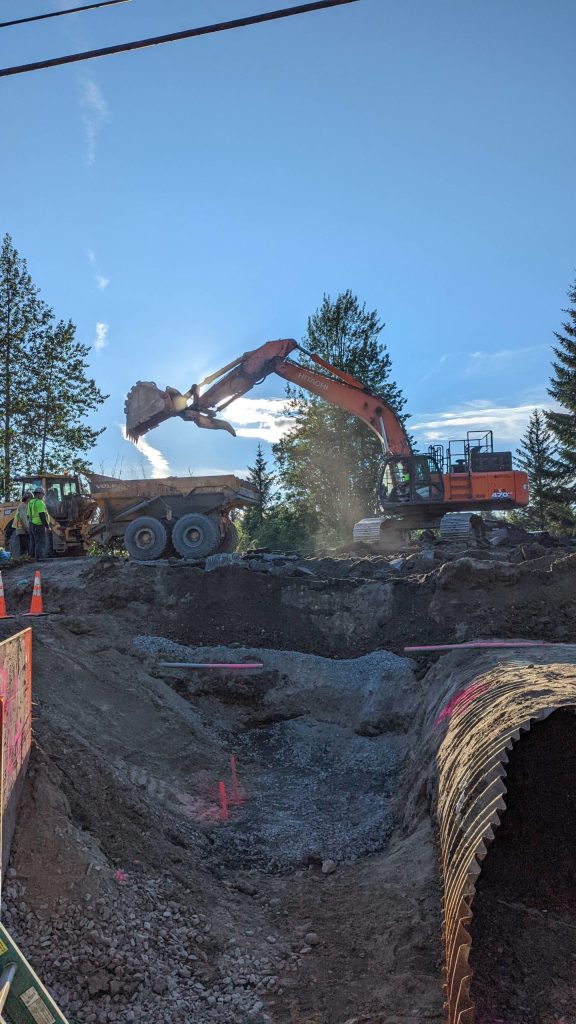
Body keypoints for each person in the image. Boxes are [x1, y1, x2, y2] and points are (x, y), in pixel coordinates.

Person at [28, 487, 51, 561]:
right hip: (39, 525)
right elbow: (42, 516)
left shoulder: (30, 502)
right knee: (40, 542)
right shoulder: (40, 502)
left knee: (33, 542)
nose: (43, 496)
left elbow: (28, 515)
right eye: (43, 495)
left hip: (31, 524)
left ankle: (31, 557)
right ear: (39, 494)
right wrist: (47, 526)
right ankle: (39, 558)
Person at [10, 491, 33, 557]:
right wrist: (27, 529)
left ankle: (25, 558)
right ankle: (23, 560)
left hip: (22, 528)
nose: (31, 500)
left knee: (26, 546)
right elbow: (23, 519)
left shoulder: (24, 505)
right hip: (22, 529)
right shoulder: (23, 506)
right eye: (31, 499)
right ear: (28, 499)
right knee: (24, 546)